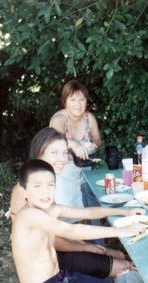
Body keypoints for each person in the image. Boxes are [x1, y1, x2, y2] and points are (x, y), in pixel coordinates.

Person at [11, 159, 146, 283]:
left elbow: (87, 212)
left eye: (50, 185)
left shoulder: (50, 209)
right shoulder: (28, 215)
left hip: (60, 279)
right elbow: (71, 231)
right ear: (23, 191)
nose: (45, 191)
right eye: (37, 186)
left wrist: (125, 212)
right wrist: (119, 231)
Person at [10, 128, 132, 279]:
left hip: (54, 249)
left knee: (118, 254)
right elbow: (53, 239)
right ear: (39, 153)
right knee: (122, 265)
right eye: (54, 153)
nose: (62, 159)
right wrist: (84, 247)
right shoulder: (30, 188)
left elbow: (61, 228)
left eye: (65, 152)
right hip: (47, 261)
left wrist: (82, 244)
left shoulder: (42, 181)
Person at [49, 80, 102, 215]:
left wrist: (94, 145)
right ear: (65, 101)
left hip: (85, 173)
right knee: (66, 217)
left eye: (82, 100)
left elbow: (97, 139)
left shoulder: (89, 118)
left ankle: (88, 236)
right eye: (73, 100)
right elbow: (53, 139)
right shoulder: (59, 118)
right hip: (63, 175)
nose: (78, 105)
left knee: (88, 213)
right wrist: (73, 143)